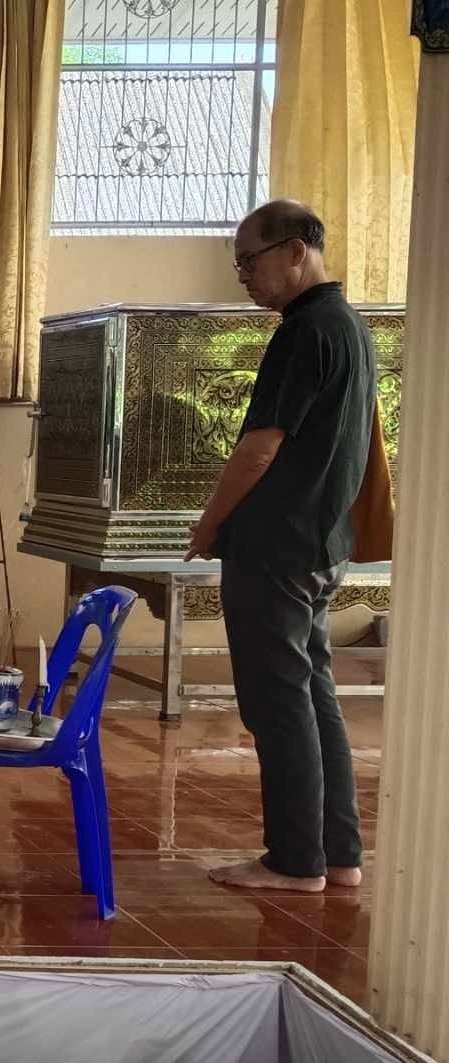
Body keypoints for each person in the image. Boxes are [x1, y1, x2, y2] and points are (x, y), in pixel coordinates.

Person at [189, 200, 375, 894]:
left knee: (278, 703)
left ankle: (295, 860)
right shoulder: (348, 325)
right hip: (321, 541)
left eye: (250, 260)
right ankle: (338, 854)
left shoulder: (304, 331)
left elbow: (259, 449)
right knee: (313, 694)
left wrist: (209, 524)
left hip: (277, 544)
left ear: (297, 250)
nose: (243, 274)